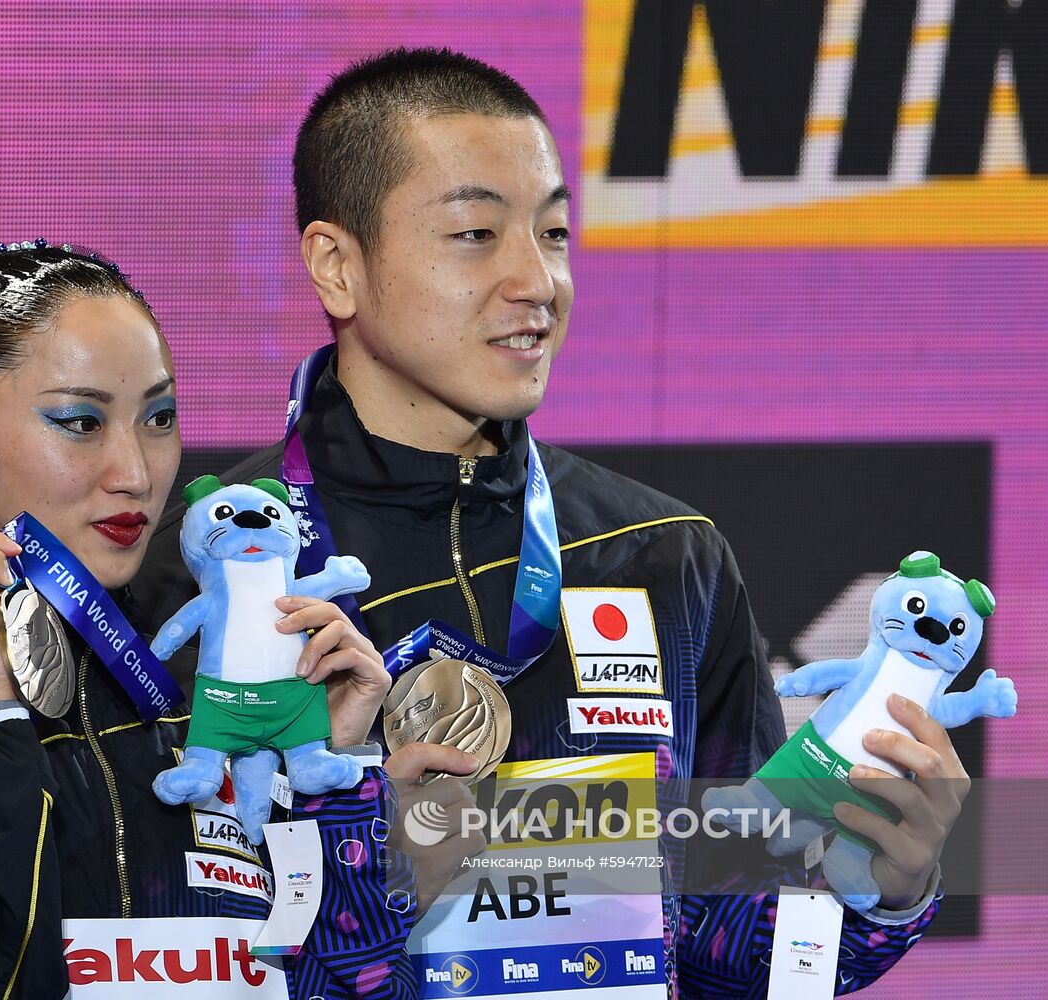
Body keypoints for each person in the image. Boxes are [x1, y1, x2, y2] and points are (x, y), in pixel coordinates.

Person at [135, 49, 967, 997]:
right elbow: (163, 956)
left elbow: (728, 948)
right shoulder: (195, 578)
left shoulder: (664, 557)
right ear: (337, 265)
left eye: (556, 233)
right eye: (477, 233)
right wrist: (365, 856)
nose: (538, 281)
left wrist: (886, 892)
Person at [0, 241, 458, 1000]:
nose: (135, 471)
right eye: (79, 421)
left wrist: (341, 781)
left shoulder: (222, 682)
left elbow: (353, 986)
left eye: (159, 416)